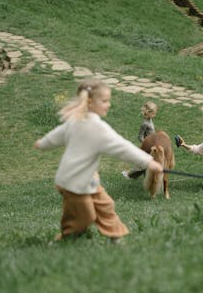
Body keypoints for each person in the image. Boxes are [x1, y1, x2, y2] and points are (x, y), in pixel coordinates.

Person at [34, 79, 162, 243]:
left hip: (88, 178)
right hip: (72, 182)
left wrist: (43, 143)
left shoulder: (77, 121)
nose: (108, 105)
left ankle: (115, 235)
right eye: (104, 101)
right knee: (84, 216)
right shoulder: (93, 127)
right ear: (89, 101)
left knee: (105, 205)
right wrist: (148, 162)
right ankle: (67, 237)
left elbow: (55, 136)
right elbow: (122, 147)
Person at [122, 101, 158, 179]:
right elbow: (140, 136)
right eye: (153, 113)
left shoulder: (150, 120)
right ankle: (129, 175)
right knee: (143, 164)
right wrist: (146, 144)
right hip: (148, 146)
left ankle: (146, 177)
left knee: (148, 163)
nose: (155, 115)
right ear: (148, 113)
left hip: (152, 144)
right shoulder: (145, 123)